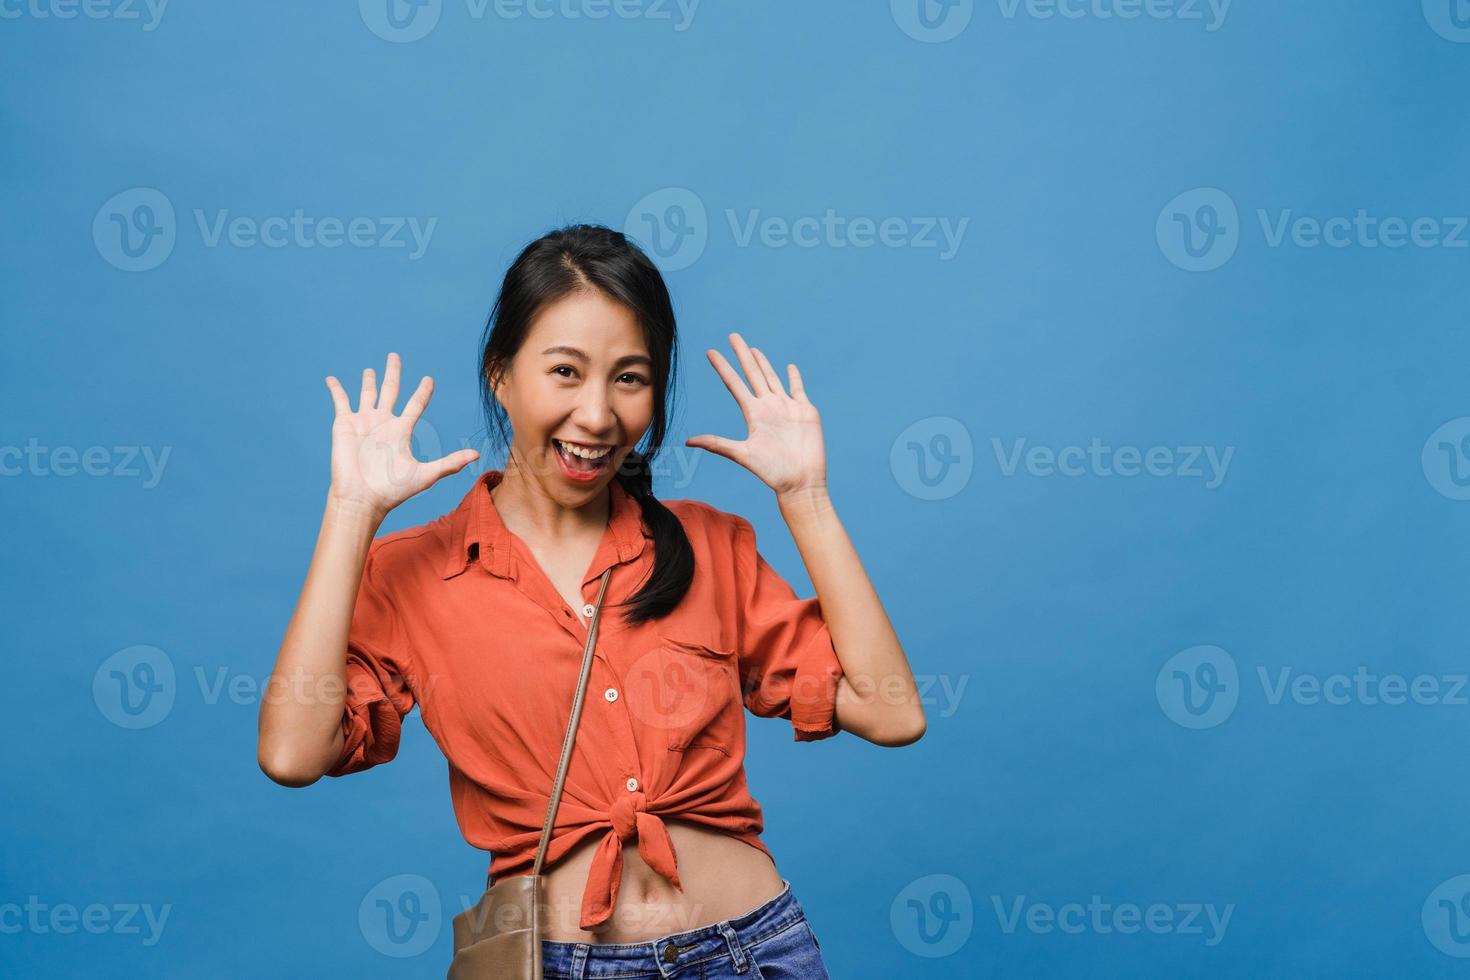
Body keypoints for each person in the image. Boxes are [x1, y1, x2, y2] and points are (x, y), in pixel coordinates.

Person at [257, 223, 927, 978]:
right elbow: (292, 753)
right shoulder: (415, 573)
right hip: (565, 963)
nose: (600, 416)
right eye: (566, 372)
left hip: (755, 951)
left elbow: (893, 711)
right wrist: (350, 514)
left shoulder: (711, 547)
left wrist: (807, 499)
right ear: (500, 375)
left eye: (630, 378)